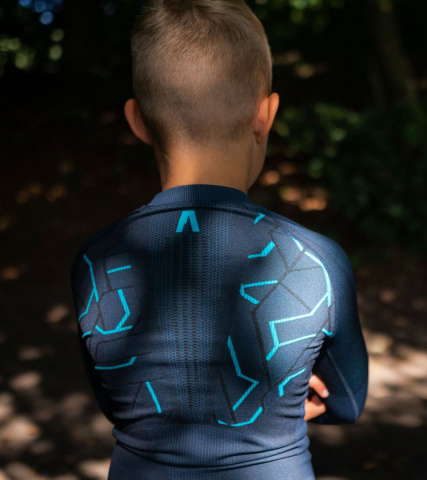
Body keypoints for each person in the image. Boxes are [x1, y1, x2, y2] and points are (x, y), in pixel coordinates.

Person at [70, 0, 369, 478]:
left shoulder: (95, 262)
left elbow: (120, 401)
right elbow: (348, 400)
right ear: (265, 115)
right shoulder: (316, 260)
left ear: (137, 120)